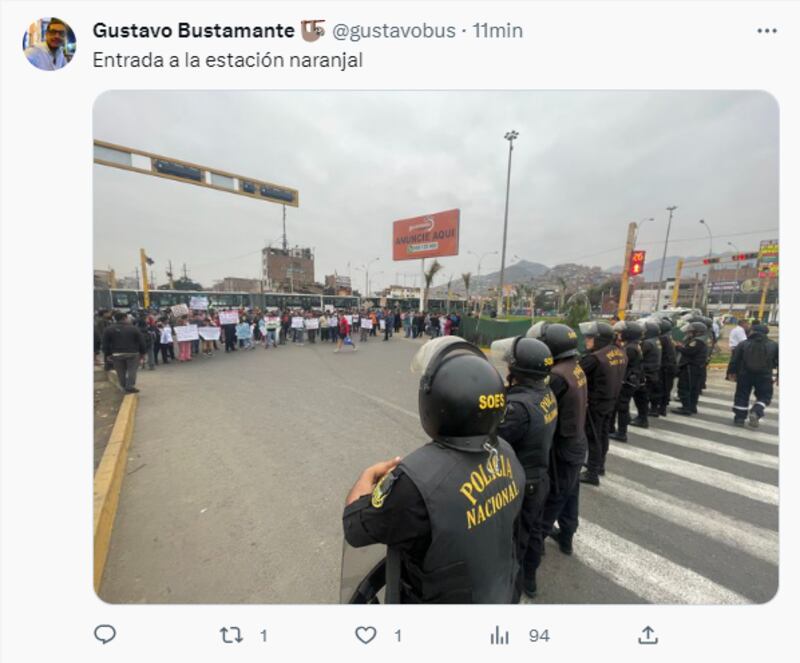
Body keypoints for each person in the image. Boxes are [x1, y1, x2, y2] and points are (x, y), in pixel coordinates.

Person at [342, 336, 524, 603]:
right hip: (497, 590)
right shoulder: (506, 451)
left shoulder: (417, 482)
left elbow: (356, 528)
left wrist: (365, 478)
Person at [492, 336, 557, 599]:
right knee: (532, 534)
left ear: (518, 371)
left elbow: (494, 441)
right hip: (539, 477)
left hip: (522, 485)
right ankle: (530, 579)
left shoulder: (518, 408)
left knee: (514, 547)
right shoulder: (545, 392)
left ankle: (514, 592)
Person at [525, 322, 588, 559]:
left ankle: (534, 552)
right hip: (576, 441)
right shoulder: (574, 367)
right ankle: (567, 537)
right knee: (570, 493)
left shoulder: (557, 376)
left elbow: (543, 406)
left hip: (561, 447)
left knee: (551, 499)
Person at [578, 321, 627, 486]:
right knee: (603, 434)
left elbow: (576, 373)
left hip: (595, 403)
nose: (586, 341)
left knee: (593, 436)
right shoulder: (619, 352)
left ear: (599, 339)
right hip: (611, 400)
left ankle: (592, 473)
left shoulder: (595, 358)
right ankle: (599, 465)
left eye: (590, 338)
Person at [727, 323, 778, 427]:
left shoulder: (743, 344)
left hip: (744, 375)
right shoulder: (774, 345)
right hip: (764, 376)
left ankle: (739, 419)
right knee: (764, 396)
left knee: (742, 395)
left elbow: (734, 360)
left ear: (753, 331)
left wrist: (731, 373)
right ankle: (756, 410)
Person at [608, 320, 644, 443]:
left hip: (627, 381)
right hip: (631, 380)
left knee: (622, 407)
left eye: (622, 333)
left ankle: (621, 433)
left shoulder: (630, 348)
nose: (620, 335)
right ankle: (616, 428)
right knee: (621, 406)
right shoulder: (634, 345)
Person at [102, 311, 146, 393]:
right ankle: (129, 386)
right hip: (133, 353)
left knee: (120, 371)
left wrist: (107, 354)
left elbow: (105, 343)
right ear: (125, 318)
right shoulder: (134, 328)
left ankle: (123, 386)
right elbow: (141, 341)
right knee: (132, 370)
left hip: (117, 354)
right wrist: (143, 352)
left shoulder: (109, 329)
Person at [671, 321, 709, 415]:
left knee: (685, 387)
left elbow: (688, 352)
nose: (689, 333)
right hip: (696, 368)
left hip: (690, 368)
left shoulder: (697, 341)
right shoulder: (702, 339)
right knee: (693, 388)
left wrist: (677, 346)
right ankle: (691, 407)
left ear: (698, 332)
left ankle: (686, 408)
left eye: (691, 332)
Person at [630, 319, 662, 427]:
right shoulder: (655, 340)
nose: (643, 333)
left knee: (641, 398)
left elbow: (638, 356)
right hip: (652, 372)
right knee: (644, 397)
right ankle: (642, 417)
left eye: (645, 331)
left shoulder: (647, 343)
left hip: (647, 373)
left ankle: (642, 419)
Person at [651, 317, 677, 416]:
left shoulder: (662, 338)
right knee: (666, 388)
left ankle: (656, 409)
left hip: (665, 367)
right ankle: (662, 408)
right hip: (669, 367)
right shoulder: (668, 336)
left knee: (659, 388)